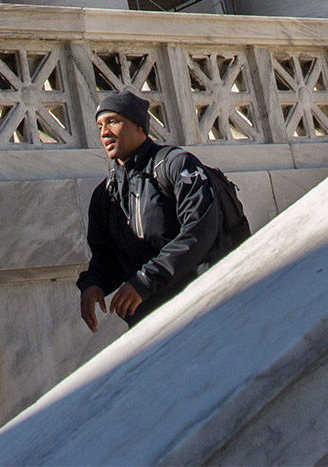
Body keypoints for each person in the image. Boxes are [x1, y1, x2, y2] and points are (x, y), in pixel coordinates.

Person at [77, 89, 223, 330]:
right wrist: (94, 283)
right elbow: (106, 257)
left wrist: (145, 281)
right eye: (99, 125)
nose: (104, 132)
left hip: (203, 310)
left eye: (113, 121)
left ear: (139, 126)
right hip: (150, 325)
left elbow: (200, 231)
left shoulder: (177, 165)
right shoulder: (105, 194)